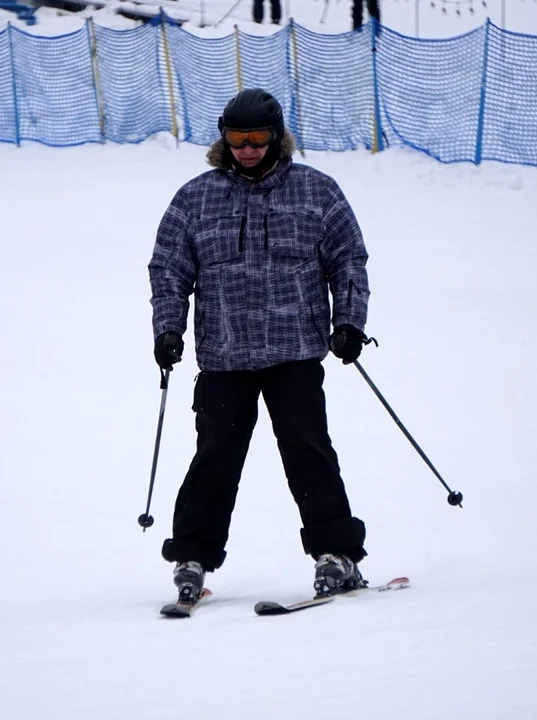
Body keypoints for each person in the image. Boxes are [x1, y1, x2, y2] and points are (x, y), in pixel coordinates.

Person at [147, 88, 372, 605]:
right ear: (223, 139)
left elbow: (348, 260)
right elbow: (169, 269)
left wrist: (350, 323)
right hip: (225, 355)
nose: (247, 148)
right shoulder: (195, 198)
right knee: (216, 457)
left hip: (294, 350)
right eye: (237, 138)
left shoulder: (317, 192)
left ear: (277, 137)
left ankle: (337, 554)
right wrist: (167, 329)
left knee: (308, 450)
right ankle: (193, 558)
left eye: (258, 138)